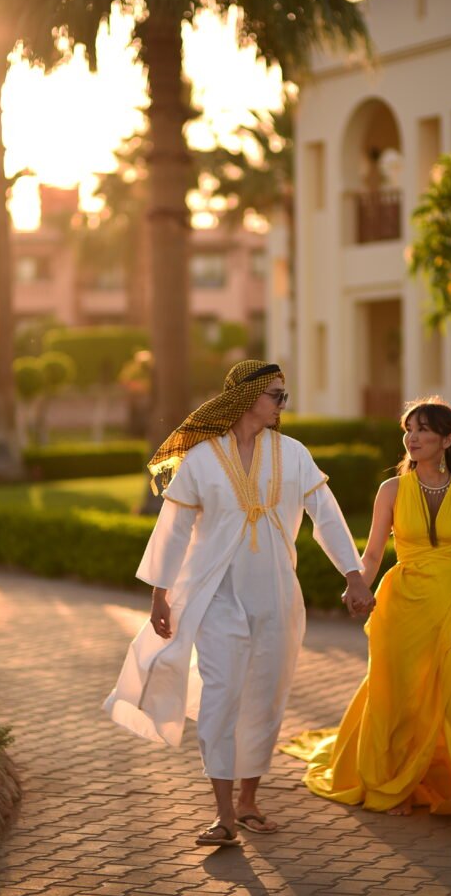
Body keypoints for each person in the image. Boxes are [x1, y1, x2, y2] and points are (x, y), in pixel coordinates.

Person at [103, 359, 375, 847]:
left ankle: (249, 802)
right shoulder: (203, 459)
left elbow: (327, 517)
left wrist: (354, 576)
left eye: (283, 396)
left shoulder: (293, 454)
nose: (281, 405)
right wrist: (159, 594)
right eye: (276, 395)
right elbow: (173, 530)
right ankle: (224, 814)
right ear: (246, 397)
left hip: (277, 598)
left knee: (265, 700)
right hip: (217, 598)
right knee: (222, 693)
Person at [282, 397, 451, 838]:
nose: (412, 438)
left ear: (447, 440)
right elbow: (375, 552)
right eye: (408, 429)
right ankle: (391, 783)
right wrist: (357, 583)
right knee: (399, 696)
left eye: (422, 430)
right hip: (402, 606)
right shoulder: (392, 490)